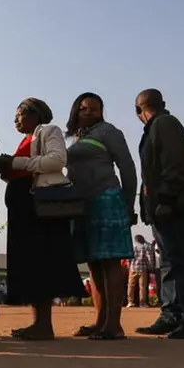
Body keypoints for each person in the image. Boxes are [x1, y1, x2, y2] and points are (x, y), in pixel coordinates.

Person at [0, 97, 87, 340]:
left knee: (41, 262)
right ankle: (37, 323)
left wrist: (15, 162)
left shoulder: (48, 131)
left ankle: (44, 325)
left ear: (36, 114)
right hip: (23, 210)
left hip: (39, 210)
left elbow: (57, 160)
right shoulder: (26, 140)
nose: (16, 119)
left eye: (20, 114)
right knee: (30, 265)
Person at [135, 88, 184, 339]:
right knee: (169, 262)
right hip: (163, 207)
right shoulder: (158, 126)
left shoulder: (164, 124)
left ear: (138, 111)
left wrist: (165, 199)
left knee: (180, 262)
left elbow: (173, 164)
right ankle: (173, 315)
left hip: (174, 205)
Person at [64, 92, 137, 340]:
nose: (90, 113)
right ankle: (100, 320)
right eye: (84, 109)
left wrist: (128, 204)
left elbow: (127, 167)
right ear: (76, 111)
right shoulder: (73, 137)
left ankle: (114, 324)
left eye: (95, 109)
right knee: (93, 262)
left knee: (110, 261)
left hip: (107, 199)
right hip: (81, 204)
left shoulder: (109, 132)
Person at [128, 235, 153, 307]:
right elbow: (149, 258)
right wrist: (151, 266)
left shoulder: (133, 247)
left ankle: (130, 301)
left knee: (131, 286)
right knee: (142, 287)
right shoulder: (145, 247)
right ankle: (142, 302)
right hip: (142, 269)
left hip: (133, 268)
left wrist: (129, 266)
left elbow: (128, 258)